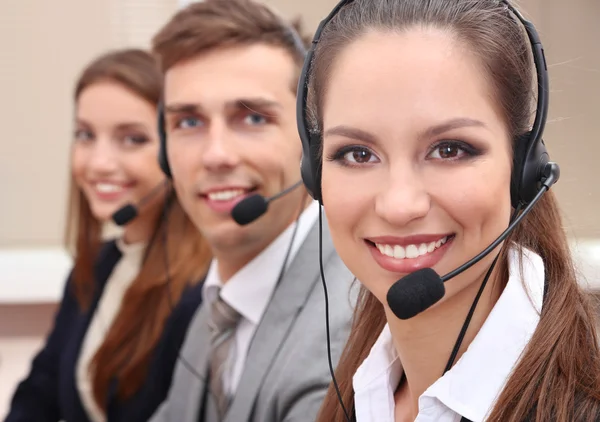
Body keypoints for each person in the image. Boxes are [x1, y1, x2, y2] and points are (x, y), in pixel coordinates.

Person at [297, 0, 600, 421]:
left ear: (524, 168)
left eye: (449, 149)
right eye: (358, 154)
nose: (399, 205)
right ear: (314, 174)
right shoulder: (361, 389)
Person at [147, 1, 355, 421]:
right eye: (188, 122)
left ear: (312, 142)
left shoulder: (345, 324)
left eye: (252, 118)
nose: (215, 155)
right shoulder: (219, 302)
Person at [5, 49, 212, 422]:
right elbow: (39, 392)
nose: (99, 162)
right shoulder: (99, 265)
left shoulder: (205, 288)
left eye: (132, 139)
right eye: (85, 135)